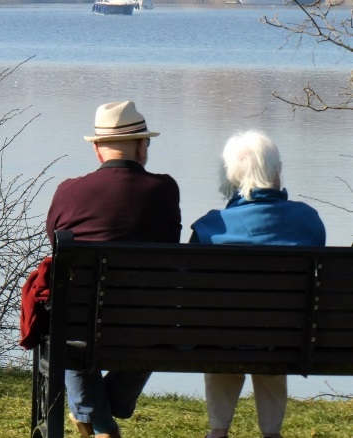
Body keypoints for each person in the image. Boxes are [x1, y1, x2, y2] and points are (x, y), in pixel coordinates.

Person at [46, 100, 182, 438]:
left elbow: (54, 240)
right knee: (154, 320)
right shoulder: (164, 190)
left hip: (81, 319)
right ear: (140, 146)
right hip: (146, 323)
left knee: (68, 320)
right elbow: (171, 244)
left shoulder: (68, 191)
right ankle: (106, 415)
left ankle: (97, 418)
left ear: (97, 151)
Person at [191, 130, 326, 438]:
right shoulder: (308, 221)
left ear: (230, 176)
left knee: (224, 328)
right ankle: (271, 432)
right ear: (275, 171)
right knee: (275, 324)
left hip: (223, 338)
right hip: (287, 339)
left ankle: (218, 430)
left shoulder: (210, 227)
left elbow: (193, 292)